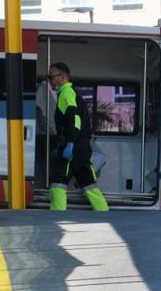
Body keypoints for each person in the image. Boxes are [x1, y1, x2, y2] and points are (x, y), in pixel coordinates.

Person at [48, 62, 109, 211]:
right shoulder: (70, 93)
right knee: (88, 184)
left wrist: (69, 144)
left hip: (74, 148)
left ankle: (57, 218)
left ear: (61, 78)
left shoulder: (67, 93)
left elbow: (74, 119)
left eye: (51, 77)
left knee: (58, 182)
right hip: (82, 148)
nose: (49, 80)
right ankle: (105, 213)